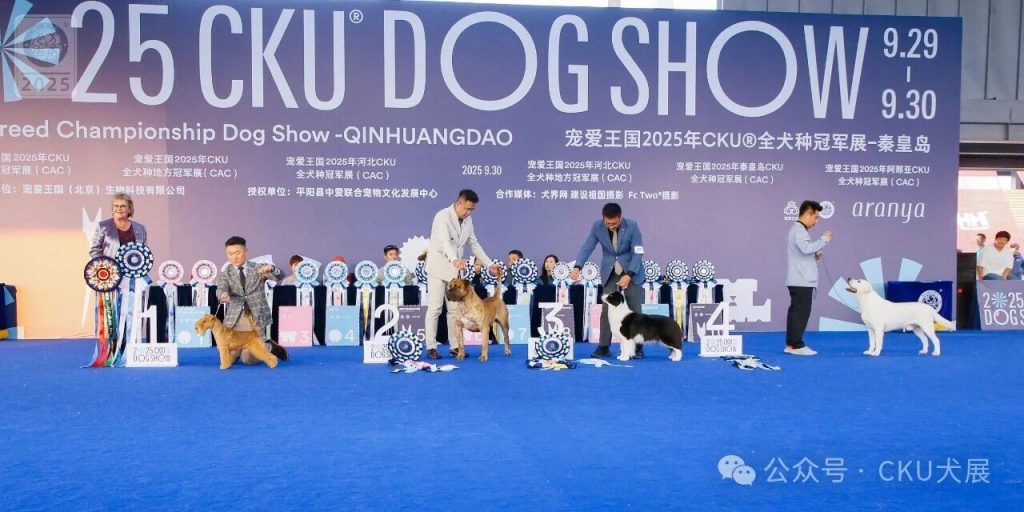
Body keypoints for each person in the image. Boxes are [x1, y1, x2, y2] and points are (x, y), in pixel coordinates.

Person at [424, 189, 498, 359]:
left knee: (454, 311)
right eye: (467, 208)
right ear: (458, 204)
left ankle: (455, 346)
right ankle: (431, 346)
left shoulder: (468, 220)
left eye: (472, 210)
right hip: (437, 267)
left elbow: (474, 243)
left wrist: (489, 264)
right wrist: (453, 259)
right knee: (435, 308)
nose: (469, 212)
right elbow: (444, 242)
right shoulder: (442, 216)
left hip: (454, 270)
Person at [570, 203, 646, 359]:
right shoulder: (597, 226)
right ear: (603, 219)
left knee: (634, 310)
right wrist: (578, 266)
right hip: (610, 274)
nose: (611, 226)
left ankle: (637, 347)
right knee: (607, 310)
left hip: (631, 273)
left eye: (614, 223)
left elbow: (638, 252)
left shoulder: (632, 226)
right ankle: (604, 346)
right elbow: (587, 247)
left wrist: (629, 274)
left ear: (620, 217)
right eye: (608, 223)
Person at [217, 236, 289, 363]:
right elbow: (221, 288)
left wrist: (272, 269)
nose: (234, 257)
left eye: (237, 253)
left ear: (246, 251)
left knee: (248, 360)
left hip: (255, 317)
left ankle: (270, 347)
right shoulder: (225, 273)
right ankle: (245, 349)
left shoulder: (258, 268)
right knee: (229, 359)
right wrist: (222, 294)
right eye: (230, 254)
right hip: (234, 320)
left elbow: (280, 276)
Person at [785, 200, 833, 356]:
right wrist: (824, 239)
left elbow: (803, 252)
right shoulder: (799, 230)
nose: (816, 221)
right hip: (801, 280)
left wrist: (813, 255)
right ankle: (797, 345)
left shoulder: (798, 230)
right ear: (807, 214)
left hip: (799, 279)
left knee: (796, 312)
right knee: (800, 313)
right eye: (816, 217)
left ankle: (792, 344)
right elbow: (806, 248)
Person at [89, 193, 148, 258]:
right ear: (112, 209)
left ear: (129, 209)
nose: (119, 209)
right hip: (108, 264)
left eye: (123, 206)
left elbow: (143, 252)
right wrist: (104, 263)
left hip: (134, 264)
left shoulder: (140, 228)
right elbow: (94, 251)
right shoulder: (102, 226)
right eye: (116, 206)